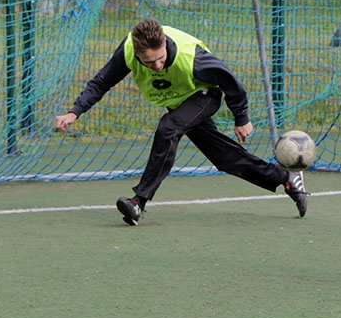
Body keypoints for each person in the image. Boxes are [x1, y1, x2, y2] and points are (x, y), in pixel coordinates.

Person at [54, 18, 308, 226]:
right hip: (179, 102)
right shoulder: (129, 50)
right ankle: (285, 178)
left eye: (160, 59)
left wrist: (241, 117)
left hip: (205, 95)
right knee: (224, 157)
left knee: (168, 128)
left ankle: (138, 201)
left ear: (164, 43)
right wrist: (75, 112)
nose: (156, 65)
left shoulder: (193, 58)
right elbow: (102, 81)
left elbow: (229, 80)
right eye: (149, 62)